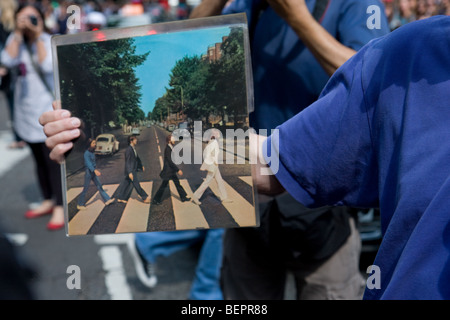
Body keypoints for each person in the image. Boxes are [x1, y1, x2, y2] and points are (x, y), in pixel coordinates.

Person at [191, 0, 389, 299]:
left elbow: (373, 80)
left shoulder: (355, 5)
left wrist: (297, 17)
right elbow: (187, 41)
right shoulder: (251, 5)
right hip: (250, 198)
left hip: (323, 202)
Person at [1, 2, 64, 231]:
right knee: (38, 159)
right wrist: (18, 33)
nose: (28, 22)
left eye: (33, 18)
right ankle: (47, 198)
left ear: (41, 19)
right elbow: (6, 61)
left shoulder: (47, 39)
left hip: (46, 107)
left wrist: (37, 34)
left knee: (53, 160)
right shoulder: (16, 41)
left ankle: (60, 205)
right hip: (25, 109)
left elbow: (47, 65)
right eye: (23, 18)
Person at [0, 0, 25, 150]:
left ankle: (19, 137)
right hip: (21, 68)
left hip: (8, 69)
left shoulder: (3, 24)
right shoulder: (18, 22)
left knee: (12, 104)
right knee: (21, 102)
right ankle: (23, 135)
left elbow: (3, 49)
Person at [192, 129, 231, 205]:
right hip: (213, 165)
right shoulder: (214, 142)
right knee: (207, 181)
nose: (218, 133)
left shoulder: (211, 142)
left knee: (219, 180)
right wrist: (214, 161)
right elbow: (211, 154)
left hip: (214, 165)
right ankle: (196, 196)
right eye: (216, 132)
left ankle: (224, 197)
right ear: (213, 134)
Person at [77, 138, 115, 210]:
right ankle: (80, 204)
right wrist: (94, 170)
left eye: (95, 143)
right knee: (86, 189)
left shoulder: (92, 152)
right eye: (93, 143)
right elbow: (88, 163)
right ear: (89, 144)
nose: (95, 144)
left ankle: (107, 200)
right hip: (89, 172)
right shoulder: (86, 153)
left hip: (93, 172)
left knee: (99, 185)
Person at [152, 134, 190, 205]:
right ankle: (156, 199)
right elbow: (170, 161)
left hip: (171, 171)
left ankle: (183, 197)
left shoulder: (171, 148)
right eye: (173, 139)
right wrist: (178, 170)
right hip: (168, 171)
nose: (174, 140)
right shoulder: (168, 149)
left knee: (177, 183)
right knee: (163, 186)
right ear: (169, 140)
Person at [116, 135, 150, 204]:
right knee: (136, 184)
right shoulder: (129, 150)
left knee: (126, 183)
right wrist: (130, 172)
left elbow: (137, 158)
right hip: (131, 170)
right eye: (135, 139)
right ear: (131, 141)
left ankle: (120, 197)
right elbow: (128, 162)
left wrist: (141, 166)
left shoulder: (133, 148)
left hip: (132, 169)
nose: (136, 140)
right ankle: (144, 197)